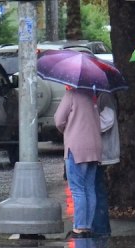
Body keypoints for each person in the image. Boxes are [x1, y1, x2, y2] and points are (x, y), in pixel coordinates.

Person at [55, 86, 103, 238]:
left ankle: (79, 227)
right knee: (89, 187)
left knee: (77, 189)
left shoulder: (71, 95)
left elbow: (58, 120)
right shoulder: (93, 96)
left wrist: (68, 130)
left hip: (76, 147)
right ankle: (87, 226)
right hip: (94, 147)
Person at [92, 91, 120, 237]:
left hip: (103, 151)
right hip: (99, 151)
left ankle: (101, 228)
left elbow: (108, 120)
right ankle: (100, 227)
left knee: (97, 190)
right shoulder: (100, 96)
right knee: (97, 189)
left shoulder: (105, 96)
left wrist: (89, 124)